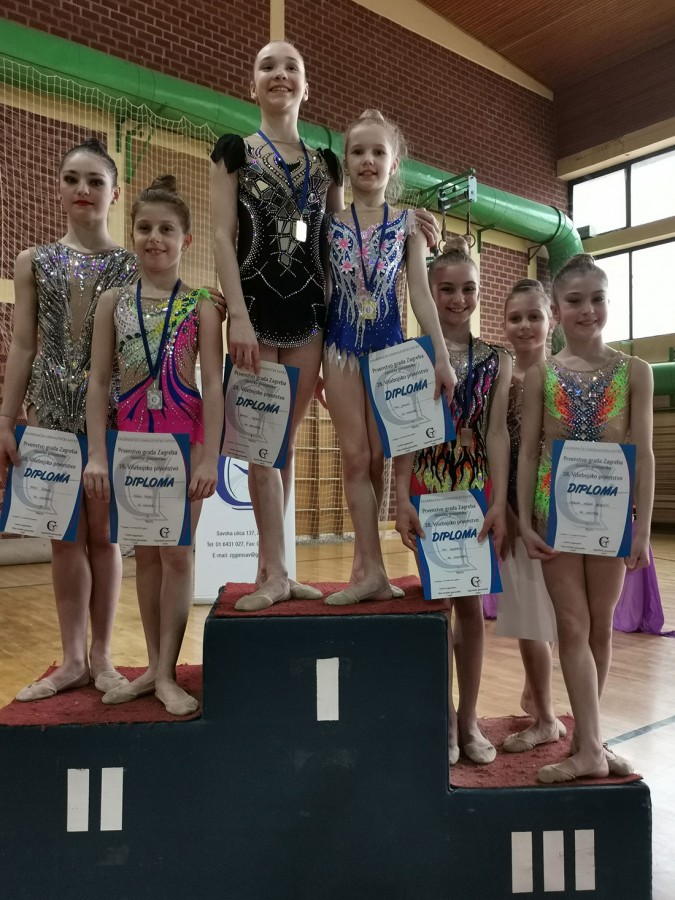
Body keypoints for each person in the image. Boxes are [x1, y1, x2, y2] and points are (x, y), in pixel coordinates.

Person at [210, 41, 440, 611]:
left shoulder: (324, 165)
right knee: (262, 448)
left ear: (306, 87)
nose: (279, 74)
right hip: (256, 314)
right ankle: (273, 573)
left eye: (291, 67)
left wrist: (413, 220)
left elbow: (343, 234)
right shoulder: (236, 152)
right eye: (267, 66)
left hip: (313, 320)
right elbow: (221, 236)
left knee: (284, 446)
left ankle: (281, 569)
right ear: (252, 83)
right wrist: (237, 314)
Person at [0, 138, 136, 701]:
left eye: (95, 181)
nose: (83, 190)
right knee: (63, 537)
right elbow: (23, 344)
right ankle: (73, 657)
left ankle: (102, 657)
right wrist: (6, 418)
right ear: (58, 188)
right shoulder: (33, 261)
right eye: (73, 179)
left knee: (103, 537)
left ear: (115, 193)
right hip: (49, 415)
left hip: (110, 417)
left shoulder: (130, 265)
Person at [83, 176, 223, 716]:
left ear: (186, 240)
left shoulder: (201, 306)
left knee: (177, 553)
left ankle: (167, 672)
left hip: (184, 442)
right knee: (145, 554)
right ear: (132, 232)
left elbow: (214, 385)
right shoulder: (113, 303)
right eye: (144, 228)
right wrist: (98, 454)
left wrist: (208, 457)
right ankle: (151, 668)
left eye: (166, 229)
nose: (154, 238)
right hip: (133, 444)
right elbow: (100, 382)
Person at [517, 254, 654, 782]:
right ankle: (592, 749)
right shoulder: (541, 374)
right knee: (571, 626)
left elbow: (645, 454)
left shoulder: (635, 371)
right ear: (557, 309)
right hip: (555, 515)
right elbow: (529, 452)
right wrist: (526, 520)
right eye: (575, 301)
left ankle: (587, 742)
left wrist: (642, 529)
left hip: (611, 516)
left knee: (600, 628)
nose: (587, 309)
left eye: (597, 299)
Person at [321, 109, 456, 605]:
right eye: (358, 151)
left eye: (379, 152)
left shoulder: (408, 225)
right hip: (338, 349)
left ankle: (366, 566)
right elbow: (322, 290)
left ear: (394, 163)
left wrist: (440, 355)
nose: (368, 160)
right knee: (356, 456)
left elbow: (419, 292)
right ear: (346, 161)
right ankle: (373, 571)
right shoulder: (327, 224)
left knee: (379, 457)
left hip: (390, 352)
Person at [394, 238, 511, 764]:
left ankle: (469, 720)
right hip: (428, 485)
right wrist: (400, 497)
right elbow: (404, 434)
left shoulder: (496, 358)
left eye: (468, 289)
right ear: (429, 291)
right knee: (439, 605)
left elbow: (499, 434)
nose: (458, 299)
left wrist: (498, 502)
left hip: (474, 488)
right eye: (446, 289)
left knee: (470, 607)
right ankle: (442, 717)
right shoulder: (413, 356)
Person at [496, 279, 566, 753]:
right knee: (529, 616)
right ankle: (543, 714)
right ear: (504, 323)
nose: (525, 326)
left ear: (551, 319)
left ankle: (542, 705)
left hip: (561, 512)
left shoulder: (564, 377)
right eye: (515, 318)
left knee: (555, 616)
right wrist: (503, 508)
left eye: (534, 317)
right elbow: (494, 448)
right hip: (517, 513)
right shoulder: (501, 380)